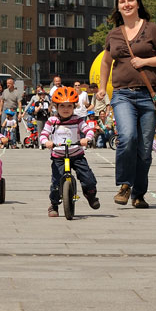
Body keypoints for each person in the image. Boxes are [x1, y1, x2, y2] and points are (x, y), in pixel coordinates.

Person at [96, 0, 156, 208]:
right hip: (122, 95)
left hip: (149, 96)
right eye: (122, 1)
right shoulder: (114, 34)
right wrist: (102, 87)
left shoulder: (152, 29)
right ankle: (124, 184)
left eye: (130, 0)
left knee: (144, 148)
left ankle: (139, 194)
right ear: (118, 6)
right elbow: (105, 62)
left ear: (138, 4)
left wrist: (145, 61)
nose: (127, 4)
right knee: (128, 137)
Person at [41, 86, 100, 216]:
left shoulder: (78, 120)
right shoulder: (52, 121)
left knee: (88, 179)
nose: (66, 109)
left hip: (77, 155)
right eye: (62, 106)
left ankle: (90, 196)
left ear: (74, 107)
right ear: (56, 106)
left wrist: (87, 138)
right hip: (59, 156)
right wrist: (46, 142)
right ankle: (54, 205)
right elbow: (43, 134)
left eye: (69, 106)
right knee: (56, 182)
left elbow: (88, 130)